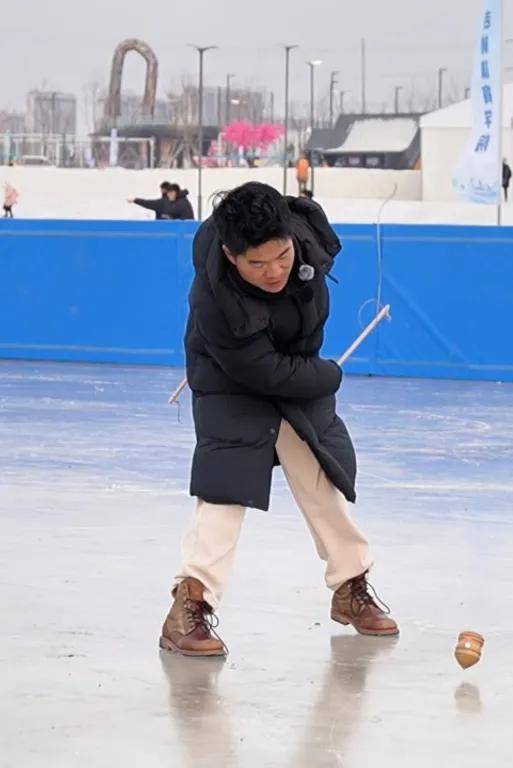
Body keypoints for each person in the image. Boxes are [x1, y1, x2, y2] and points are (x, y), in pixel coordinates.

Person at [160, 181, 398, 657]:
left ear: (291, 237)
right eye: (257, 264)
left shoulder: (309, 247)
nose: (274, 272)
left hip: (294, 368)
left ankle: (351, 586)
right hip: (229, 378)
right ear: (231, 256)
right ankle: (189, 607)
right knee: (226, 486)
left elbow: (305, 331)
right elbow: (260, 370)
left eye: (281, 257)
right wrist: (326, 377)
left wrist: (310, 376)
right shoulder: (212, 298)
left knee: (317, 471)